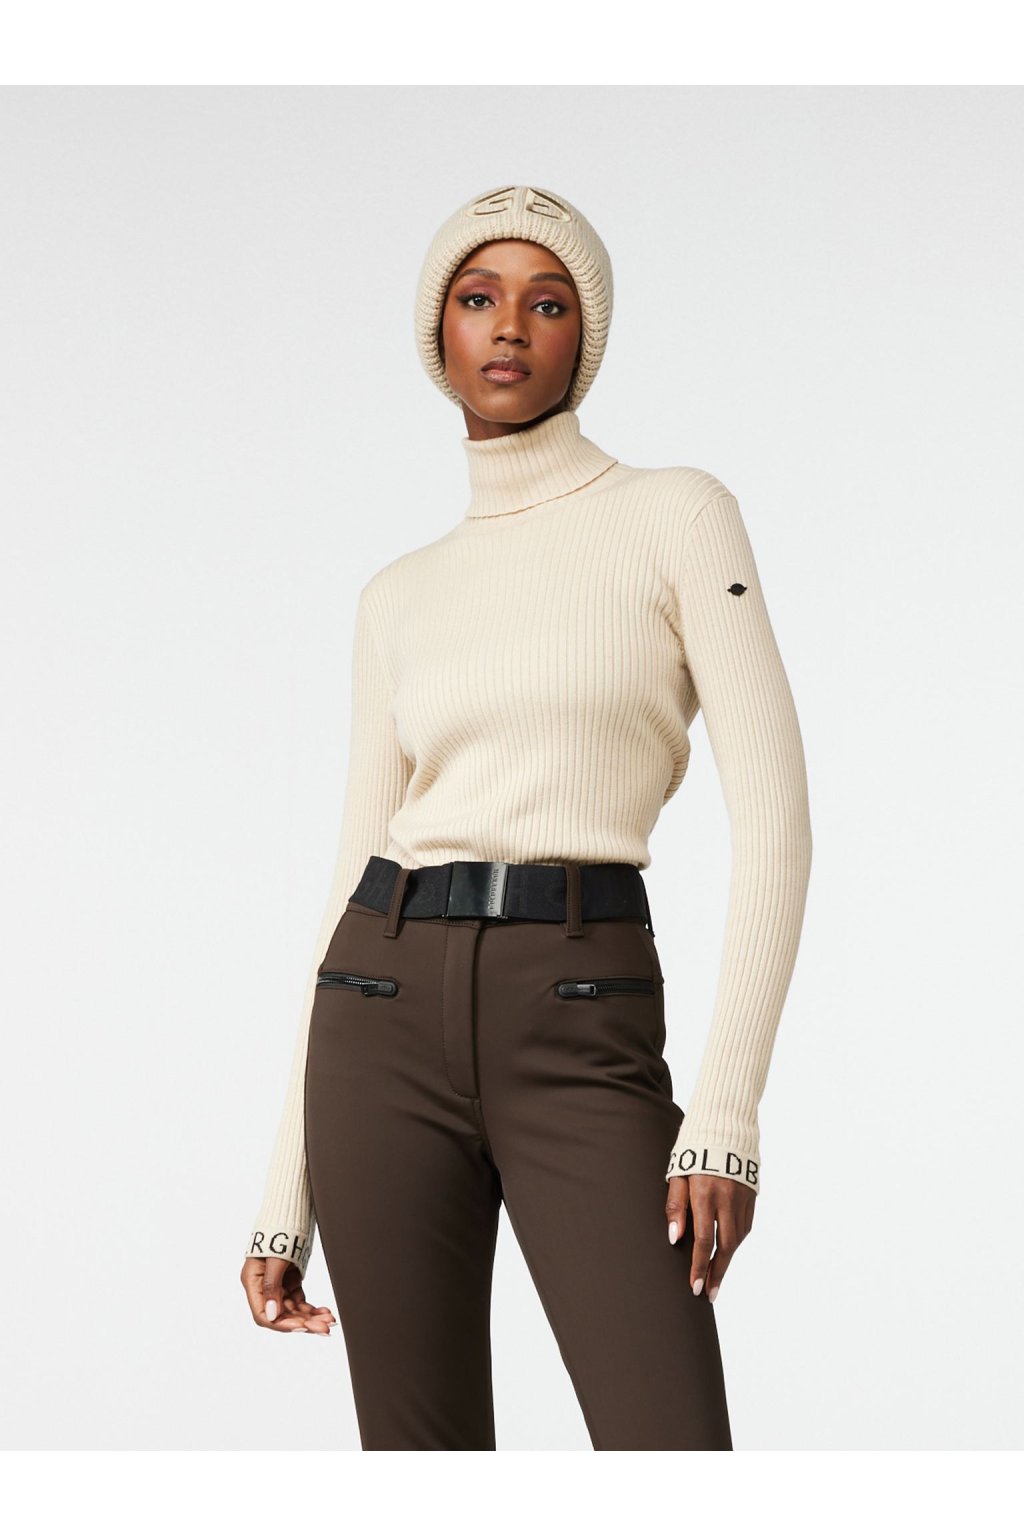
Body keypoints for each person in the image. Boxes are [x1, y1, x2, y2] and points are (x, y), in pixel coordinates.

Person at [239, 183, 813, 1451]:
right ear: (436, 332)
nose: (508, 327)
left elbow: (776, 819)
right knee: (422, 1468)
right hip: (379, 1014)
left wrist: (724, 1119)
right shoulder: (397, 595)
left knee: (669, 1451)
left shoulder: (676, 514)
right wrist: (286, 1195)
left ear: (583, 337)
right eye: (477, 298)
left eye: (546, 304)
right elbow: (352, 870)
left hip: (577, 1003)